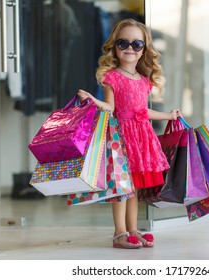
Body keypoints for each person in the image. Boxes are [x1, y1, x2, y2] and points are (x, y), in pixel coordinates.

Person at [77, 18, 182, 249]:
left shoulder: (144, 81)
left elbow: (143, 111)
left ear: (144, 49)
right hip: (120, 137)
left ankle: (133, 229)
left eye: (137, 44)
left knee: (133, 187)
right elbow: (111, 107)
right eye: (123, 43)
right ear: (114, 46)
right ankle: (119, 232)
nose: (130, 49)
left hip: (141, 138)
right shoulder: (111, 77)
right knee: (120, 187)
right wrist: (94, 101)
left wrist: (169, 116)